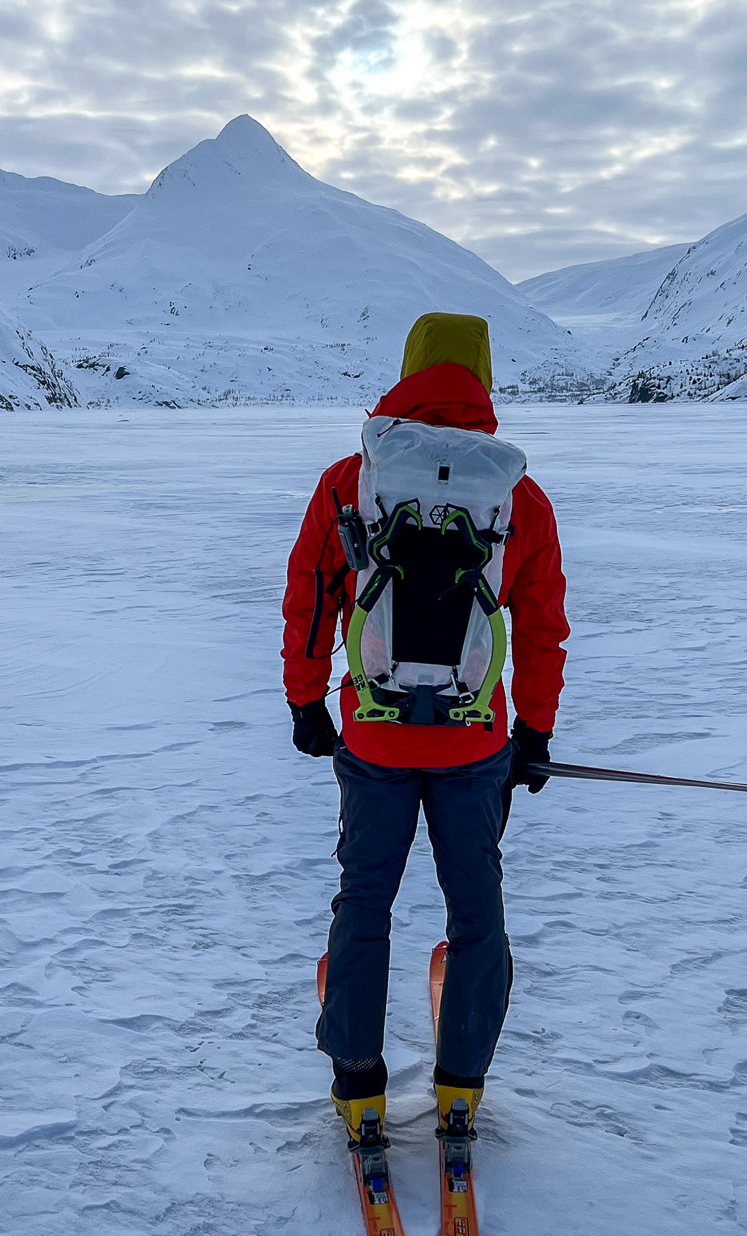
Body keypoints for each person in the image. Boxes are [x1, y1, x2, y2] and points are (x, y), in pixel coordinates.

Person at [280, 311, 570, 1143]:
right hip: (475, 744)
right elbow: (543, 626)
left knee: (364, 906)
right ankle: (461, 1085)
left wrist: (306, 700)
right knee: (476, 914)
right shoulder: (517, 496)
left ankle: (358, 1083)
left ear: (408, 369)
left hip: (371, 740)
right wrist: (535, 733)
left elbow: (312, 595)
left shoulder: (350, 481)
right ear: (483, 377)